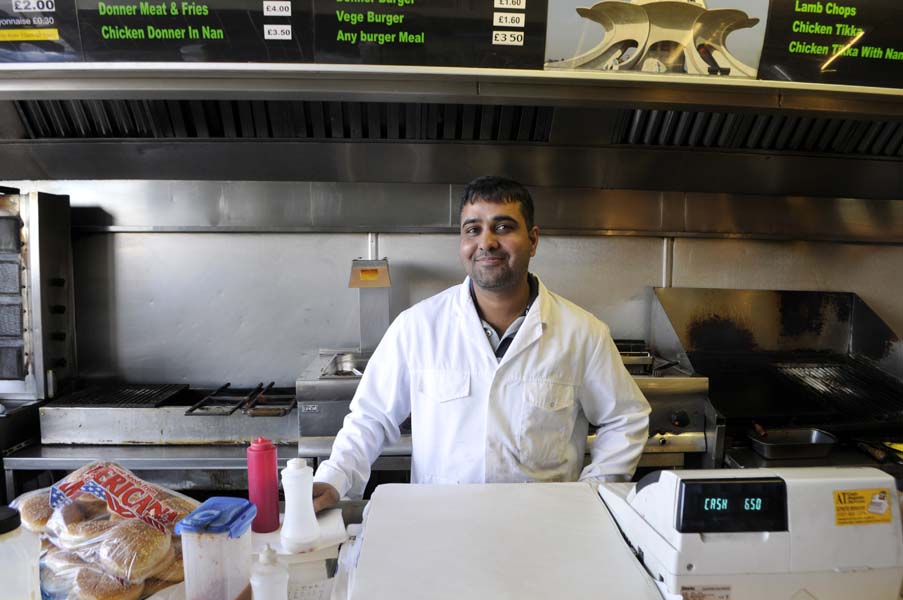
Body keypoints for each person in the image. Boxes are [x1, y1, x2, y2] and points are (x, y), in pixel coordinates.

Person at [312, 176, 650, 511]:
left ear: (533, 240)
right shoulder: (417, 327)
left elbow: (625, 418)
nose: (486, 242)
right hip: (443, 525)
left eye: (503, 227)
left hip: (544, 529)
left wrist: (593, 494)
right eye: (473, 229)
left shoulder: (581, 332)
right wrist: (334, 478)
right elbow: (371, 418)